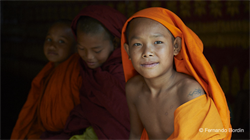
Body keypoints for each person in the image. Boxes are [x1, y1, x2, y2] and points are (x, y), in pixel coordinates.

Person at [121, 7, 232, 140]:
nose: (147, 52)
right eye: (137, 44)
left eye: (158, 42)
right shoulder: (133, 89)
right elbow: (136, 134)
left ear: (175, 47)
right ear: (127, 51)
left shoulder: (188, 91)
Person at [41, 5, 130, 140]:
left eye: (97, 50)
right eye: (81, 48)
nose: (89, 57)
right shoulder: (83, 68)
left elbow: (125, 120)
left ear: (115, 42)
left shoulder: (124, 71)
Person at [10, 20, 82, 140]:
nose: (52, 46)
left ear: (75, 47)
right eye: (49, 39)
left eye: (61, 41)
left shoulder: (76, 70)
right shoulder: (48, 71)